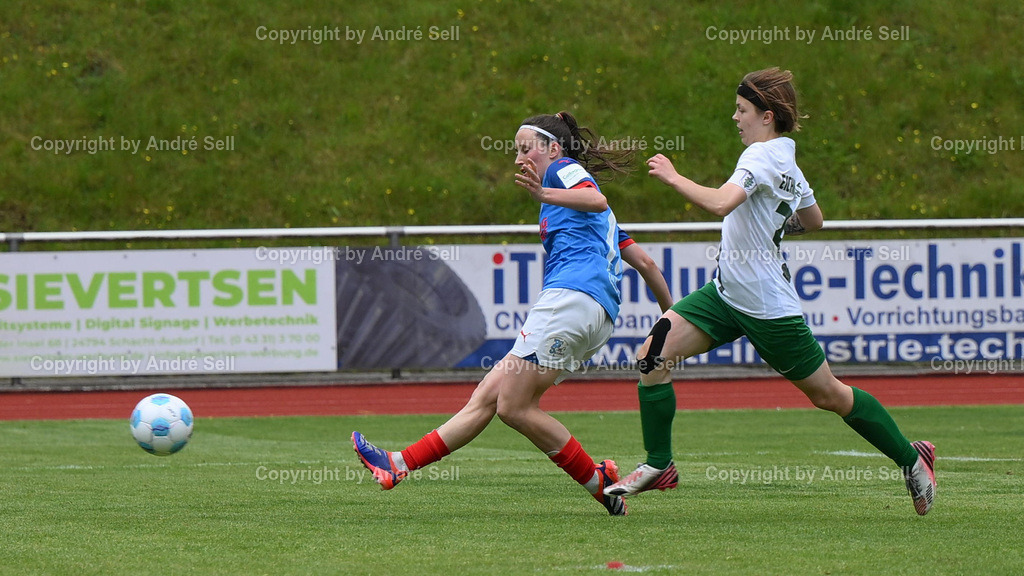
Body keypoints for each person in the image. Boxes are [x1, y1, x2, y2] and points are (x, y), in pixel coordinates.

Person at [604, 67, 937, 516]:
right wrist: (772, 230)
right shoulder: (785, 160)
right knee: (652, 356)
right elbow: (814, 219)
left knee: (830, 395)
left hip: (765, 305)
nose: (735, 117)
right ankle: (660, 465)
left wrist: (672, 176)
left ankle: (912, 458)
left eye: (742, 110)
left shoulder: (760, 158)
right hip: (726, 294)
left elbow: (721, 202)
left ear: (766, 115)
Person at [353, 111, 673, 516]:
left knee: (514, 407)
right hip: (594, 315)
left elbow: (597, 197)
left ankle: (600, 484)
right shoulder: (598, 220)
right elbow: (645, 263)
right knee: (488, 396)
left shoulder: (561, 170)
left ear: (553, 149)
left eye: (526, 148)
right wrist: (670, 317)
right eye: (515, 151)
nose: (519, 158)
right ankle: (397, 465)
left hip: (570, 301)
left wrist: (545, 194)